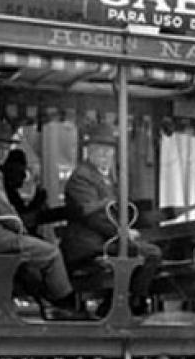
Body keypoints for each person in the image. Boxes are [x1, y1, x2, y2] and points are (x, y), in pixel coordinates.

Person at [0, 119, 79, 319]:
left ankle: (51, 303)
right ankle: (67, 305)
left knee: (35, 252)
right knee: (52, 252)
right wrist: (22, 230)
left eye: (7, 148)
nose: (4, 153)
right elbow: (5, 211)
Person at [61, 123, 162, 312]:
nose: (105, 154)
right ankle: (131, 303)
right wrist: (122, 233)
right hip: (87, 245)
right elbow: (93, 217)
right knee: (151, 254)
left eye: (108, 150)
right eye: (99, 149)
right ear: (88, 150)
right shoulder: (81, 177)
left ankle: (115, 303)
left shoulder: (105, 177)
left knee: (147, 250)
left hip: (103, 239)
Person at [0, 148, 49, 233]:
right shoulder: (4, 192)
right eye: (20, 172)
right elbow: (22, 222)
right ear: (9, 171)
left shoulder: (10, 191)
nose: (23, 176)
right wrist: (37, 202)